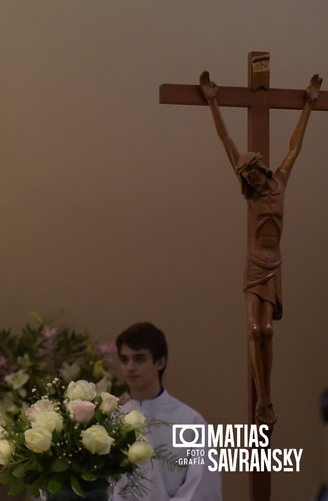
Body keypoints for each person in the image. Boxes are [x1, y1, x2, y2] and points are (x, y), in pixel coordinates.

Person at [200, 70, 321, 426]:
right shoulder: (252, 194)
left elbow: (295, 145)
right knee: (256, 330)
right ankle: (263, 402)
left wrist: (309, 105)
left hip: (275, 262)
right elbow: (227, 142)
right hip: (255, 263)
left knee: (268, 331)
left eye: (252, 175)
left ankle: (267, 402)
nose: (250, 181)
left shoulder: (279, 180)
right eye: (245, 179)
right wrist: (212, 101)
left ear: (261, 169)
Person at [110, 322, 221, 501]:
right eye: (124, 359)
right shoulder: (111, 419)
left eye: (139, 359)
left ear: (160, 362)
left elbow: (201, 486)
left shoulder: (190, 421)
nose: (129, 367)